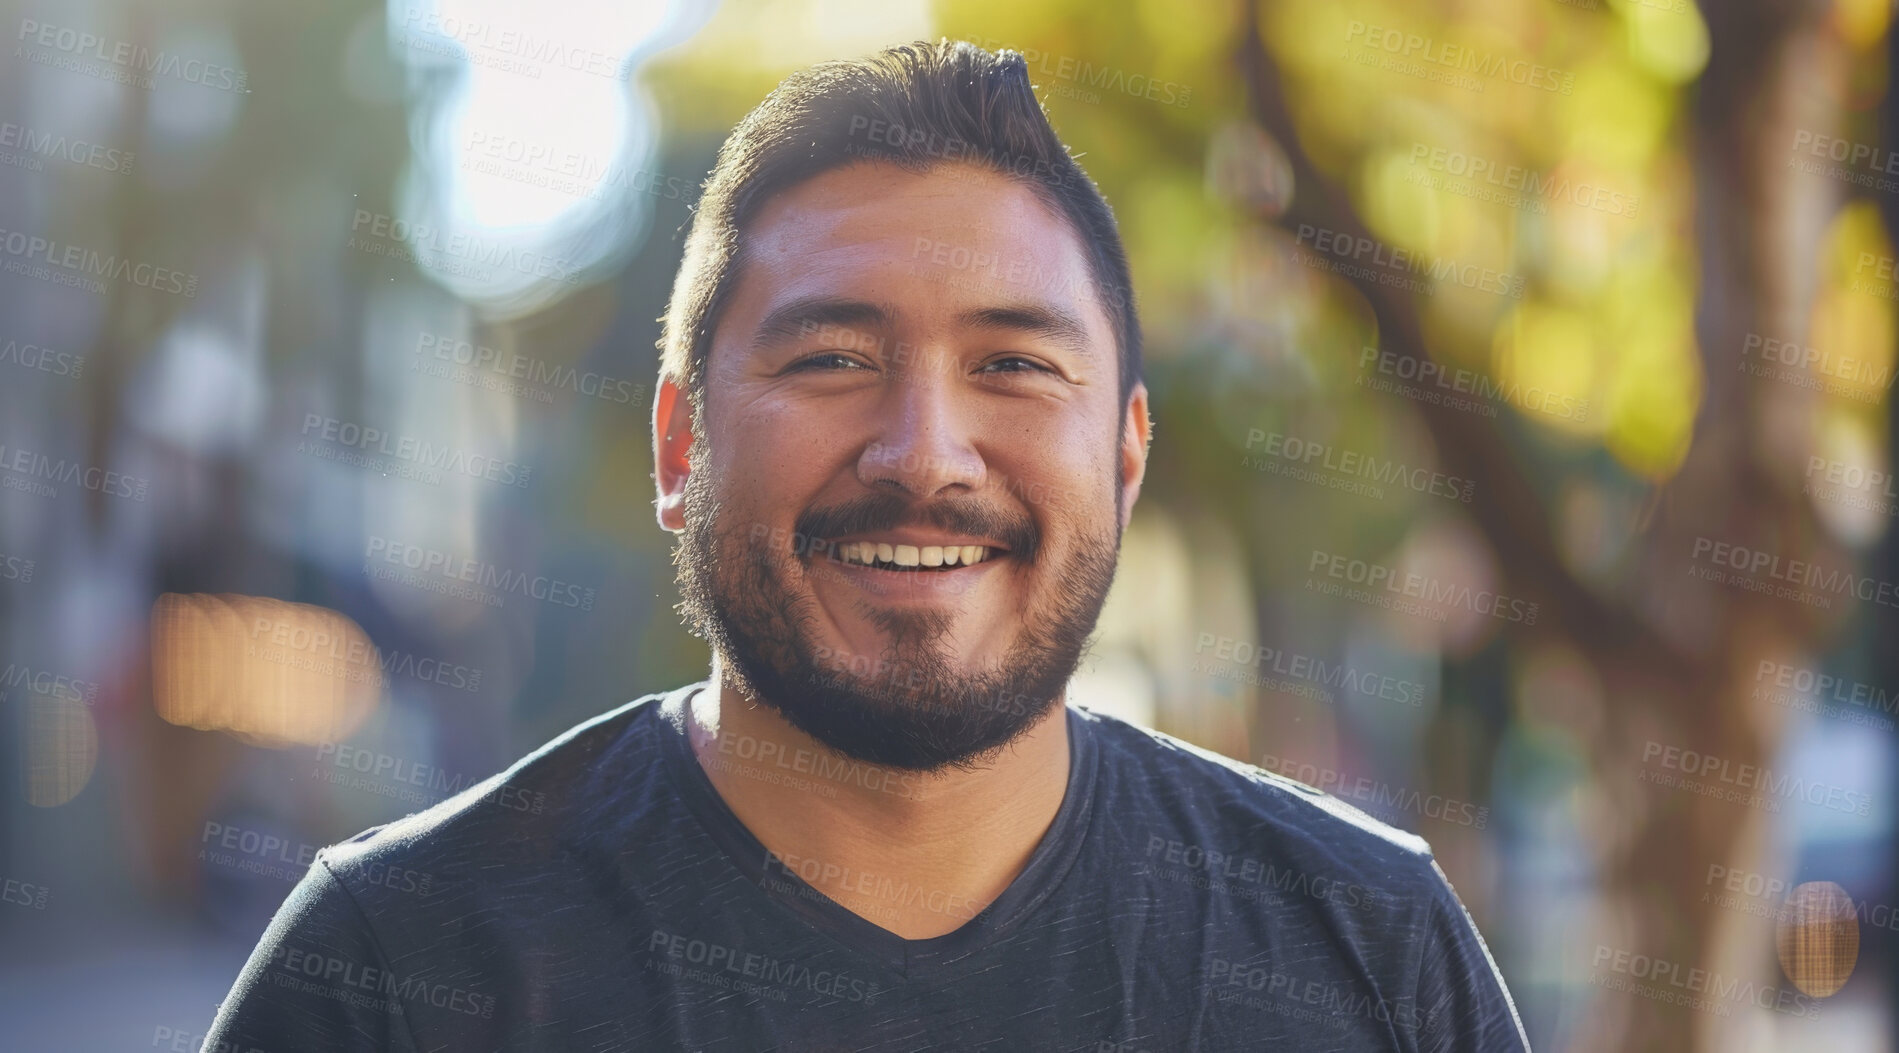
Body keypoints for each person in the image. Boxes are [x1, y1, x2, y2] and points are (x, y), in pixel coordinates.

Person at [202, 39, 1530, 1052]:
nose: (924, 453)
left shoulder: (1371, 958)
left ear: (1125, 457)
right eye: (832, 358)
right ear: (682, 446)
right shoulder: (393, 972)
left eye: (1012, 362)